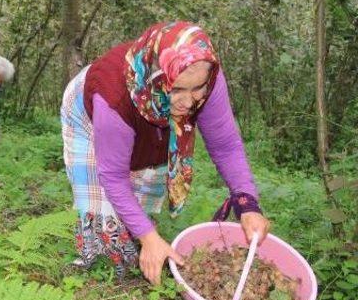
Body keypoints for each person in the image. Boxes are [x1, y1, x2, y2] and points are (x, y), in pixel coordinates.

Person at [61, 21, 270, 283]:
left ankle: (137, 236)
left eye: (197, 89)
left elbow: (226, 146)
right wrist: (148, 237)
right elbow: (113, 176)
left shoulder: (206, 75)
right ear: (156, 80)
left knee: (139, 195)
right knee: (104, 220)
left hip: (150, 123)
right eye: (177, 90)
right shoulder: (113, 100)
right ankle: (102, 267)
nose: (190, 101)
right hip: (89, 116)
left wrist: (246, 202)